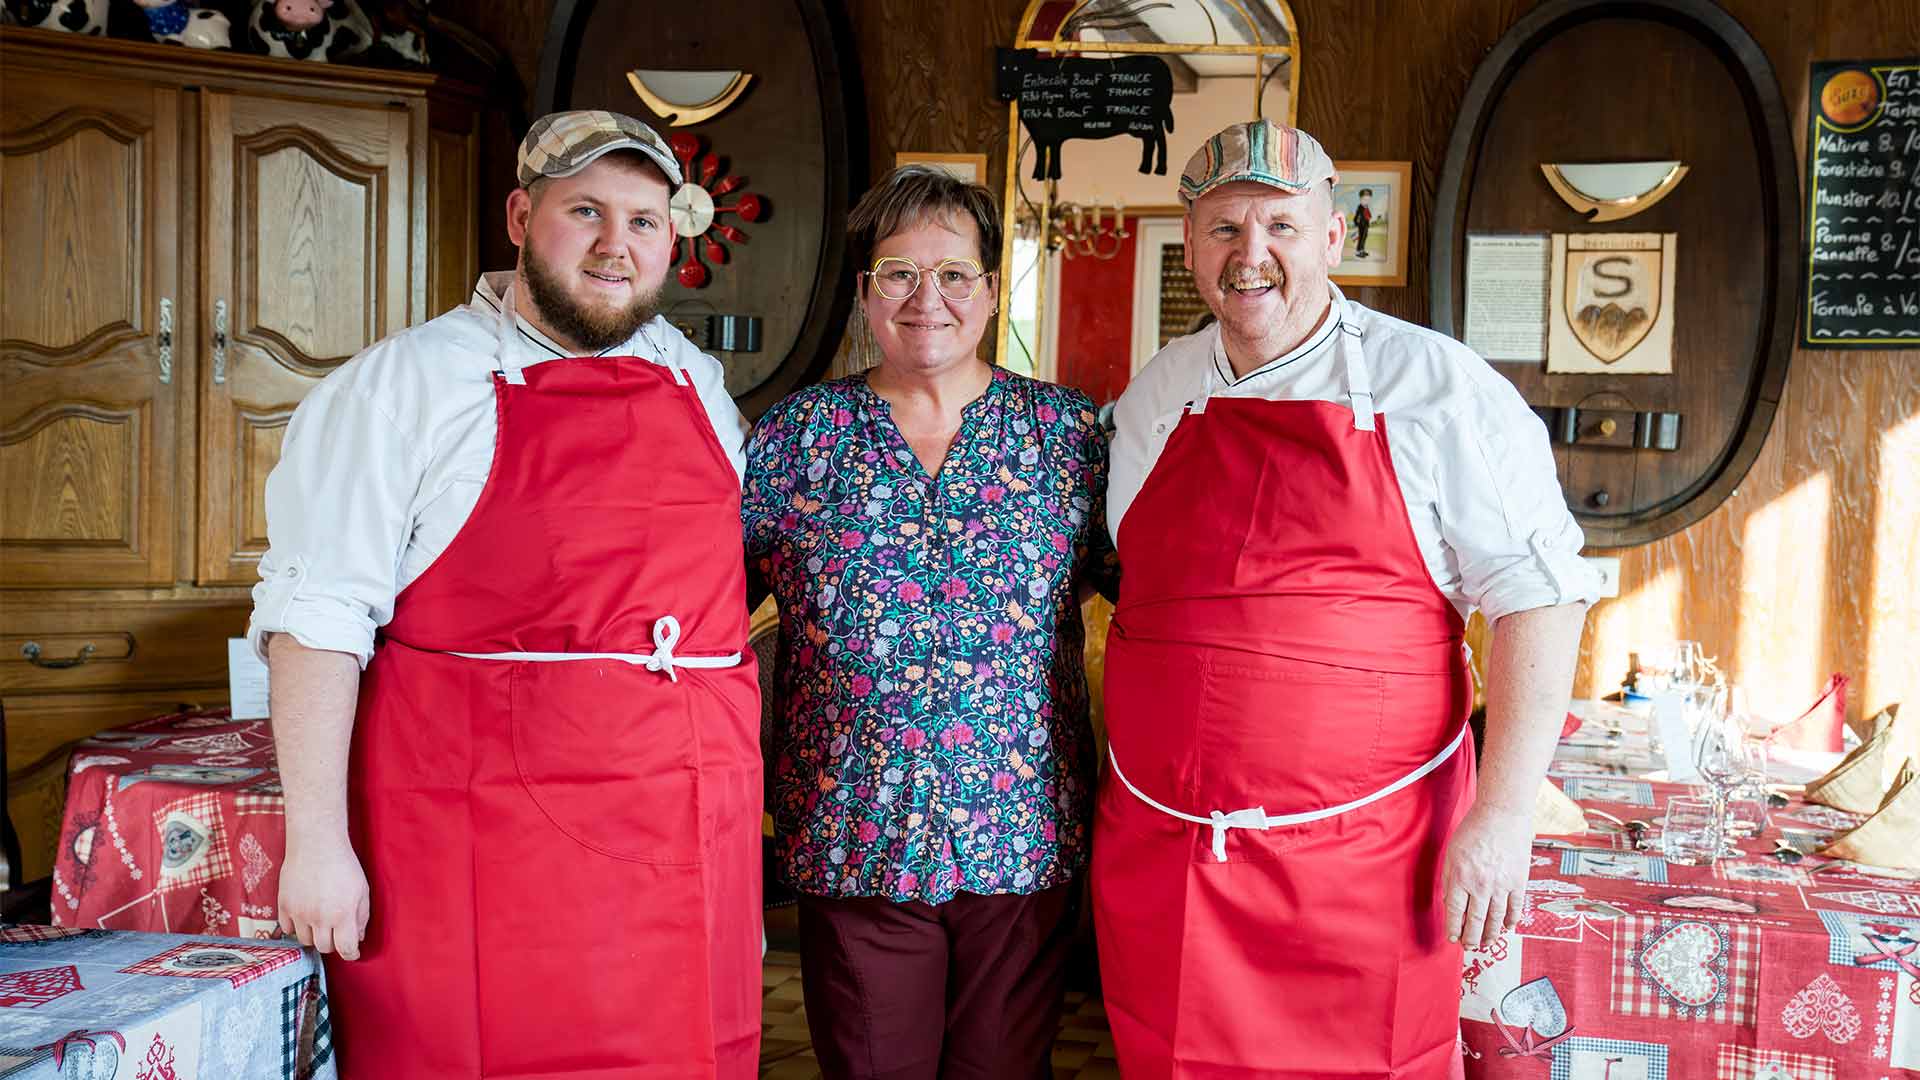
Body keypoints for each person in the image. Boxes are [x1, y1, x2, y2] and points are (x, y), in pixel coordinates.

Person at [250, 109, 761, 1078]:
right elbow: (316, 622)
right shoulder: (403, 385)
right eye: (587, 212)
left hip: (688, 825)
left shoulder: (693, 378)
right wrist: (315, 845)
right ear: (523, 215)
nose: (618, 246)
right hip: (483, 840)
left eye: (646, 221)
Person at [1094, 119, 1598, 1078]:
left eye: (1281, 226)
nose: (1252, 256)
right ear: (1191, 242)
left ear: (1334, 238)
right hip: (1168, 861)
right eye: (1224, 229)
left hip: (1373, 867)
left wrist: (1502, 819)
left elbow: (1539, 597)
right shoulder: (1157, 393)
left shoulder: (1436, 386)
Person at [741, 165, 1116, 1079]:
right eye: (899, 273)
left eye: (954, 274)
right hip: (852, 832)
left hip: (1023, 835)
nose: (928, 299)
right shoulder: (795, 438)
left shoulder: (1066, 436)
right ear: (866, 291)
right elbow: (702, 612)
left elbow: (1152, 598)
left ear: (991, 289)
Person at [1353, 186, 1374, 258]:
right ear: (1361, 199)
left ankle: (1362, 250)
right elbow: (1357, 215)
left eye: (1368, 199)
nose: (1366, 201)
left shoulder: (1366, 207)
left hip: (1366, 224)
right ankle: (1358, 251)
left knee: (1364, 237)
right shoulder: (1360, 207)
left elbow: (1367, 215)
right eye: (1364, 199)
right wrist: (1356, 222)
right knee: (1361, 238)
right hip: (1361, 225)